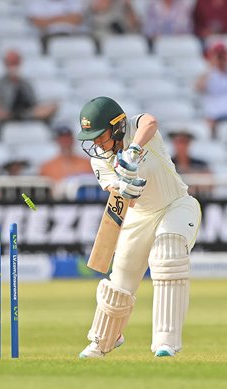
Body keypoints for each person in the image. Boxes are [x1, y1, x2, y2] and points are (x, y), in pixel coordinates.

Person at [75, 96, 201, 358]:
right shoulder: (99, 159)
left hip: (175, 204)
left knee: (168, 254)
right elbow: (118, 196)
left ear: (118, 126)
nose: (97, 142)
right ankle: (103, 341)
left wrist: (133, 150)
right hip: (138, 217)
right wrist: (125, 190)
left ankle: (166, 343)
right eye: (92, 138)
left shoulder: (137, 128)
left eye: (100, 135)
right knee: (119, 283)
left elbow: (151, 121)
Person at [0, 49, 58, 130]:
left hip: (27, 116)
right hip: (7, 119)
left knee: (52, 106)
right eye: (10, 62)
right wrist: (10, 114)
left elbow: (34, 106)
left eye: (15, 62)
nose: (13, 66)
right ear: (5, 64)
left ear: (20, 63)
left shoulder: (26, 84)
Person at [168, 129, 211, 197]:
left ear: (189, 144)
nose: (181, 145)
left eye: (184, 142)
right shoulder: (166, 163)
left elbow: (209, 184)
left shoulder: (201, 164)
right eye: (178, 141)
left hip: (198, 199)